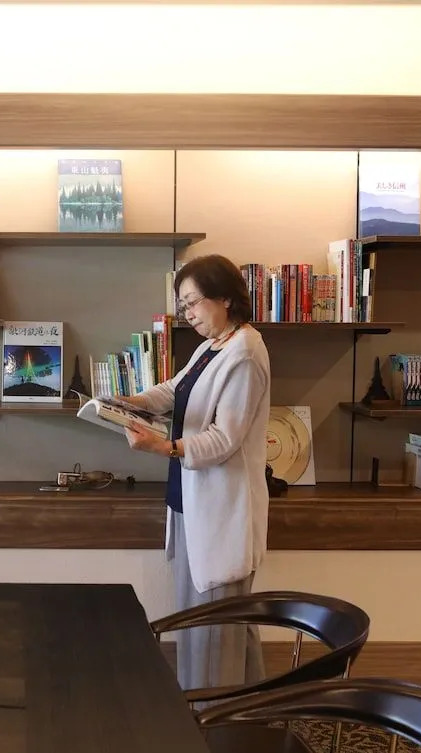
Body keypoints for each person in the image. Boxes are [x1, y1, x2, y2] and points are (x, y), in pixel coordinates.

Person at [123, 253, 270, 692]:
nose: (187, 314)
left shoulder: (245, 352)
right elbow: (175, 389)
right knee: (213, 621)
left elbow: (226, 439)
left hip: (222, 509)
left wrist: (163, 447)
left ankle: (210, 716)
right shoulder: (213, 346)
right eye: (182, 305)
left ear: (225, 298)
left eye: (192, 302)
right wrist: (131, 403)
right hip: (192, 501)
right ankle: (248, 713)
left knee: (215, 628)